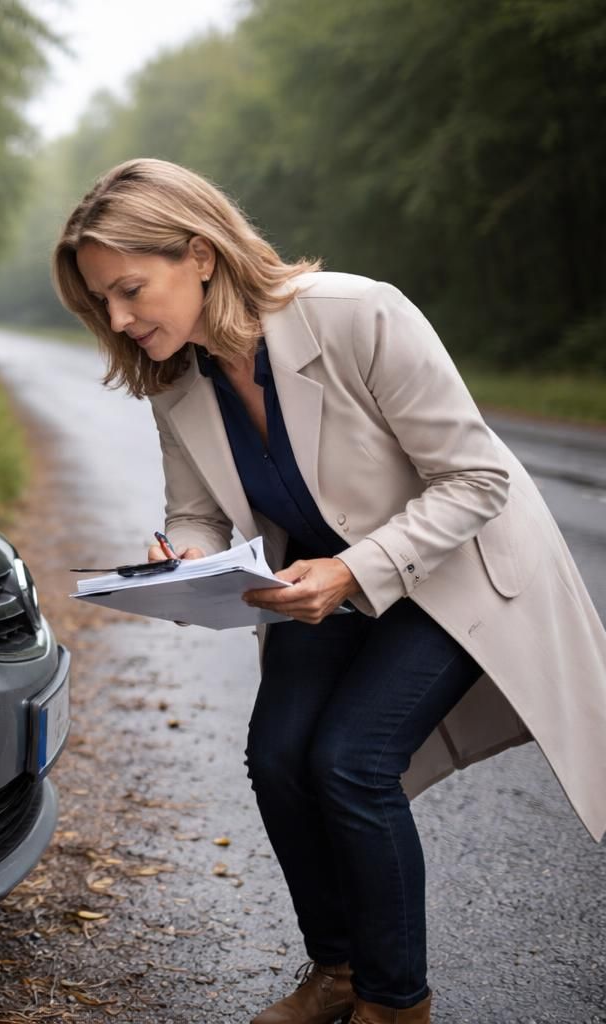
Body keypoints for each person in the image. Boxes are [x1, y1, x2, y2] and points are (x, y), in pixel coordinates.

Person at [51, 158, 606, 1024]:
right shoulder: (177, 380)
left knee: (350, 760)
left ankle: (396, 1003)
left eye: (130, 290)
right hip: (322, 574)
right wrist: (183, 557)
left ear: (200, 254)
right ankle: (340, 970)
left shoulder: (358, 313)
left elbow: (476, 480)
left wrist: (353, 570)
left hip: (455, 565)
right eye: (103, 303)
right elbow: (196, 513)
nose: (119, 320)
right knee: (277, 757)